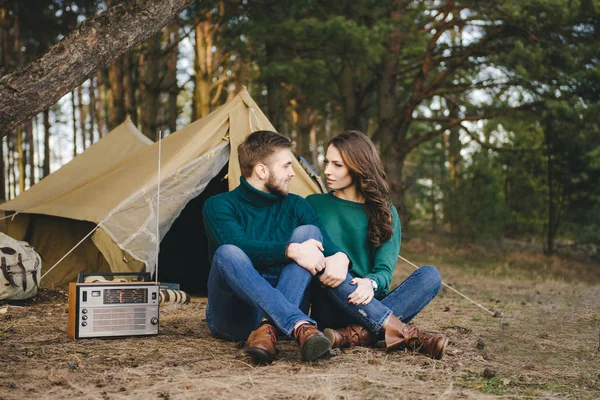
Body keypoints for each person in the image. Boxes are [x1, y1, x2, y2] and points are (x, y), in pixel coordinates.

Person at [202, 130, 351, 363]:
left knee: (309, 234)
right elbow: (240, 246)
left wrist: (342, 257)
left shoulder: (296, 206)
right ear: (262, 170)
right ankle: (298, 323)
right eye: (286, 166)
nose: (292, 173)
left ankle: (269, 328)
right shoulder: (219, 205)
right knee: (227, 252)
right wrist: (291, 250)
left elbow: (329, 249)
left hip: (286, 304)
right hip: (234, 317)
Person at [306, 130, 448, 359]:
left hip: (370, 300)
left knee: (430, 276)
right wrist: (350, 279)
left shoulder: (384, 212)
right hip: (332, 301)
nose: (327, 171)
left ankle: (355, 334)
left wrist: (369, 283)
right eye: (326, 163)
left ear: (358, 166)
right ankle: (404, 333)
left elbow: (383, 271)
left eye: (337, 165)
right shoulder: (313, 205)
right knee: (335, 274)